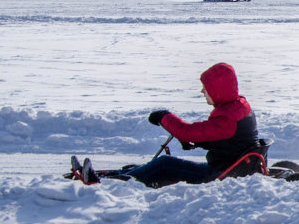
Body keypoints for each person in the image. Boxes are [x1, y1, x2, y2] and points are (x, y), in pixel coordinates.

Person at [77, 63, 260, 188]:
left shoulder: (227, 118)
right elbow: (230, 139)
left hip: (218, 175)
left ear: (218, 90)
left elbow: (186, 132)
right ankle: (116, 175)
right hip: (230, 168)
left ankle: (107, 183)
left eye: (207, 88)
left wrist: (164, 116)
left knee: (164, 164)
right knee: (146, 166)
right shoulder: (237, 108)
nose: (202, 91)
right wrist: (201, 143)